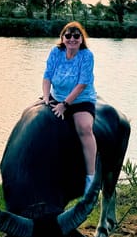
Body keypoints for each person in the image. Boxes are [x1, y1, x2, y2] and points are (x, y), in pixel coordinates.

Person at [42, 21, 98, 194]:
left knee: (85, 127)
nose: (72, 39)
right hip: (55, 97)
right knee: (33, 119)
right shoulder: (55, 52)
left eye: (76, 36)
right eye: (68, 35)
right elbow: (47, 76)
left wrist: (65, 105)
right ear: (63, 38)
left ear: (81, 39)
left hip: (80, 100)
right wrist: (45, 97)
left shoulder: (86, 55)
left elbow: (82, 83)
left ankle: (90, 177)